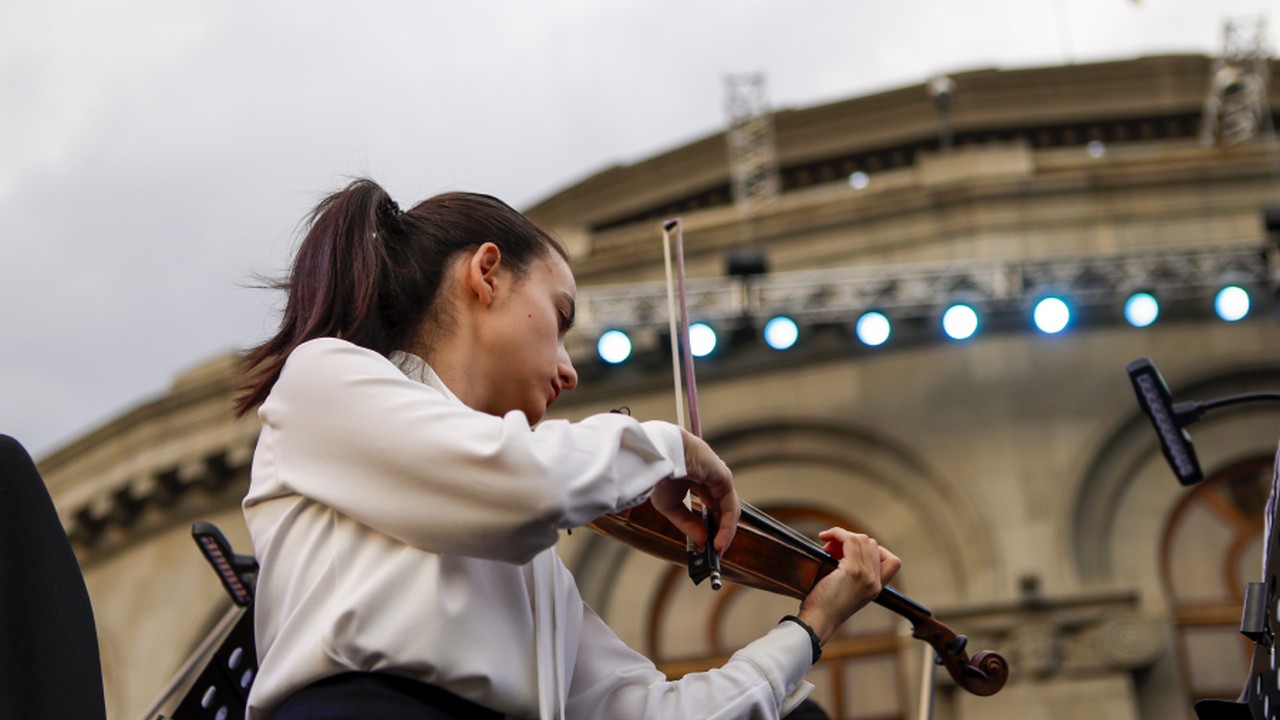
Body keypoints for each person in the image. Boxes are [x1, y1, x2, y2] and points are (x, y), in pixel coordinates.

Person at [235, 178, 901, 720]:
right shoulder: (325, 379)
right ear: (487, 274)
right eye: (560, 320)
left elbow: (649, 714)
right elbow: (523, 483)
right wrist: (672, 450)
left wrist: (808, 631)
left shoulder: (537, 568)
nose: (569, 369)